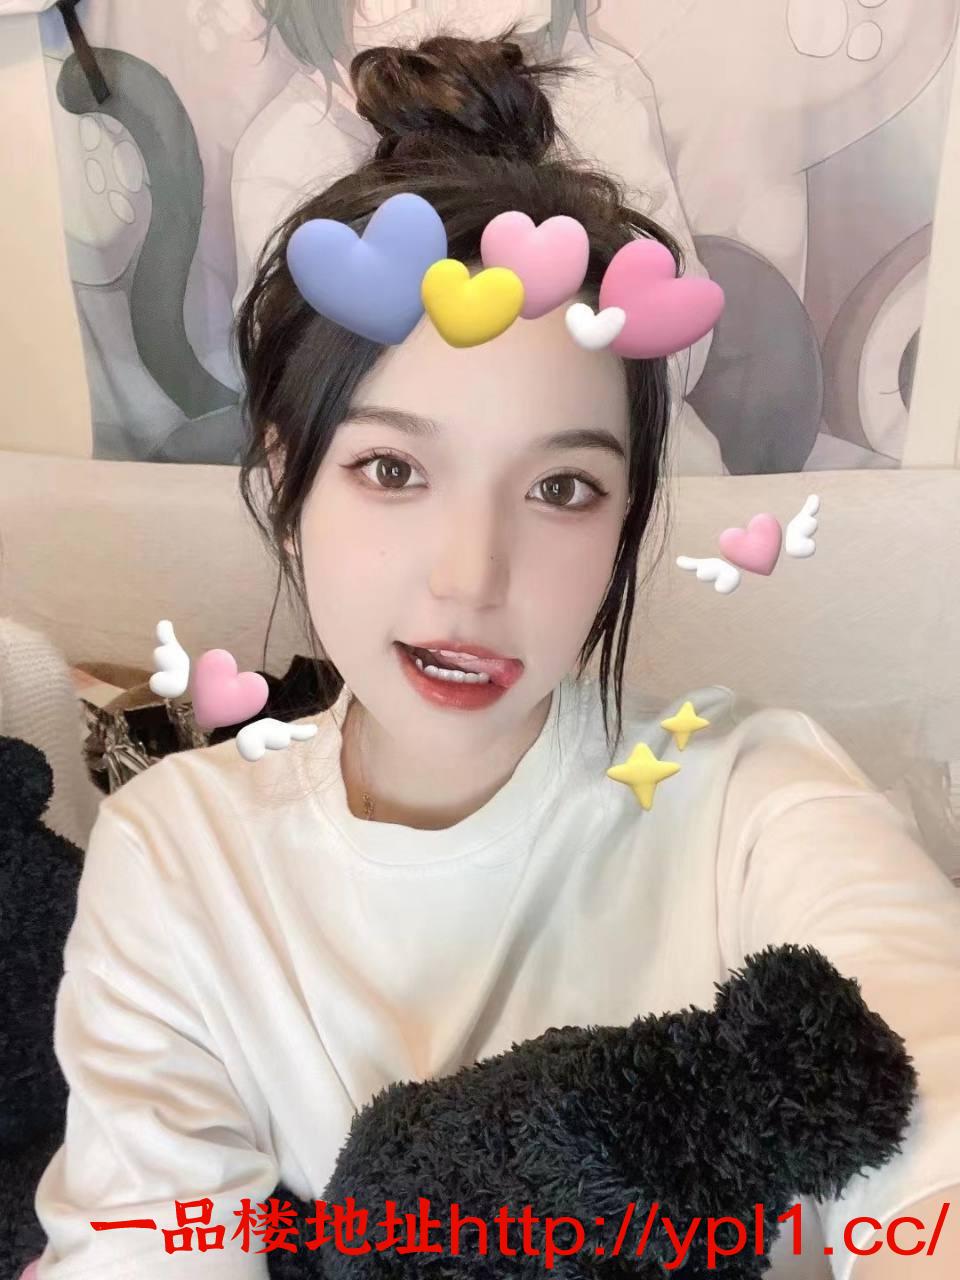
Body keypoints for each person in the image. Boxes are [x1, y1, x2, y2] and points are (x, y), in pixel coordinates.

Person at [30, 27, 960, 1280]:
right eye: (392, 468)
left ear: (625, 520)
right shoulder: (179, 856)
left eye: (562, 487)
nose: (472, 577)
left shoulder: (752, 802)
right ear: (287, 485)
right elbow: (143, 1247)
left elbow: (931, 1124)